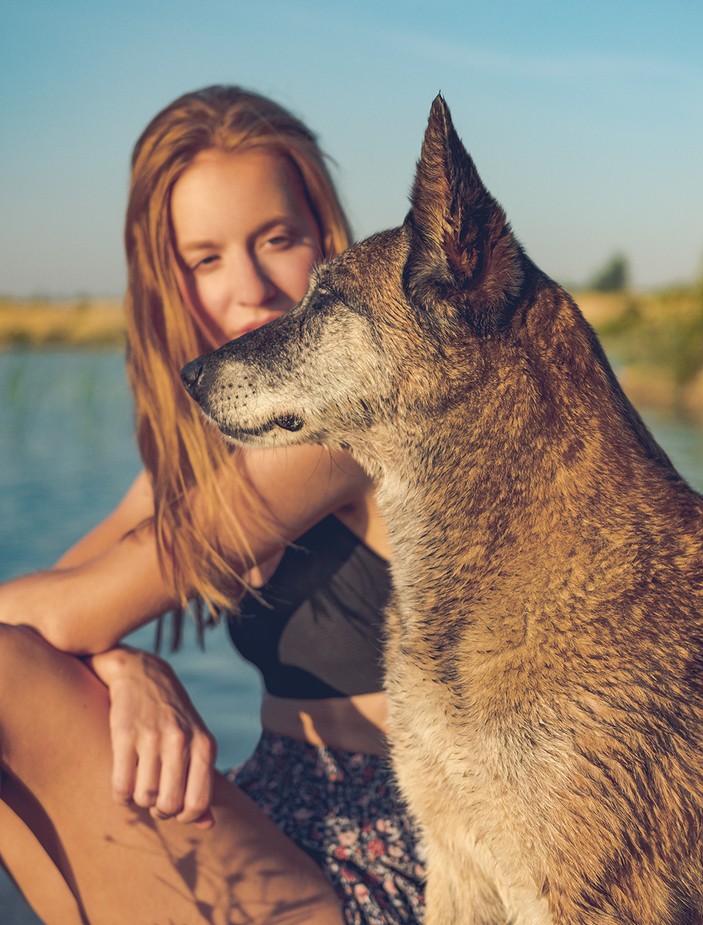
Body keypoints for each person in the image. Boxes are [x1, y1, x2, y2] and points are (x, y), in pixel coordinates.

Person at [0, 85, 425, 925]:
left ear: (325, 239)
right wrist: (128, 665)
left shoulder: (341, 425)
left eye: (278, 239)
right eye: (206, 258)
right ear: (170, 281)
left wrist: (99, 637)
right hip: (274, 803)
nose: (252, 288)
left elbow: (66, 615)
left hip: (403, 848)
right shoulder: (206, 456)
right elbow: (38, 610)